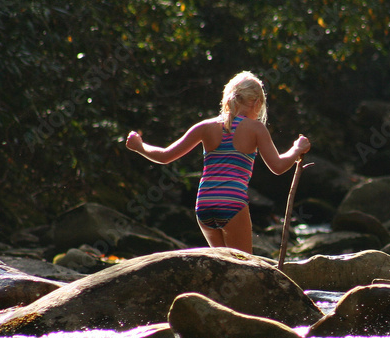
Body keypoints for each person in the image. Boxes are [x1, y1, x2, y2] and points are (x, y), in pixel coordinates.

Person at [125, 71, 310, 254]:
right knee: (245, 268)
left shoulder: (205, 126)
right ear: (256, 102)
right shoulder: (256, 128)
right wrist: (297, 149)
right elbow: (277, 166)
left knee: (223, 268)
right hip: (232, 202)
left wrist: (139, 146)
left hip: (204, 204)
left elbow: (165, 156)